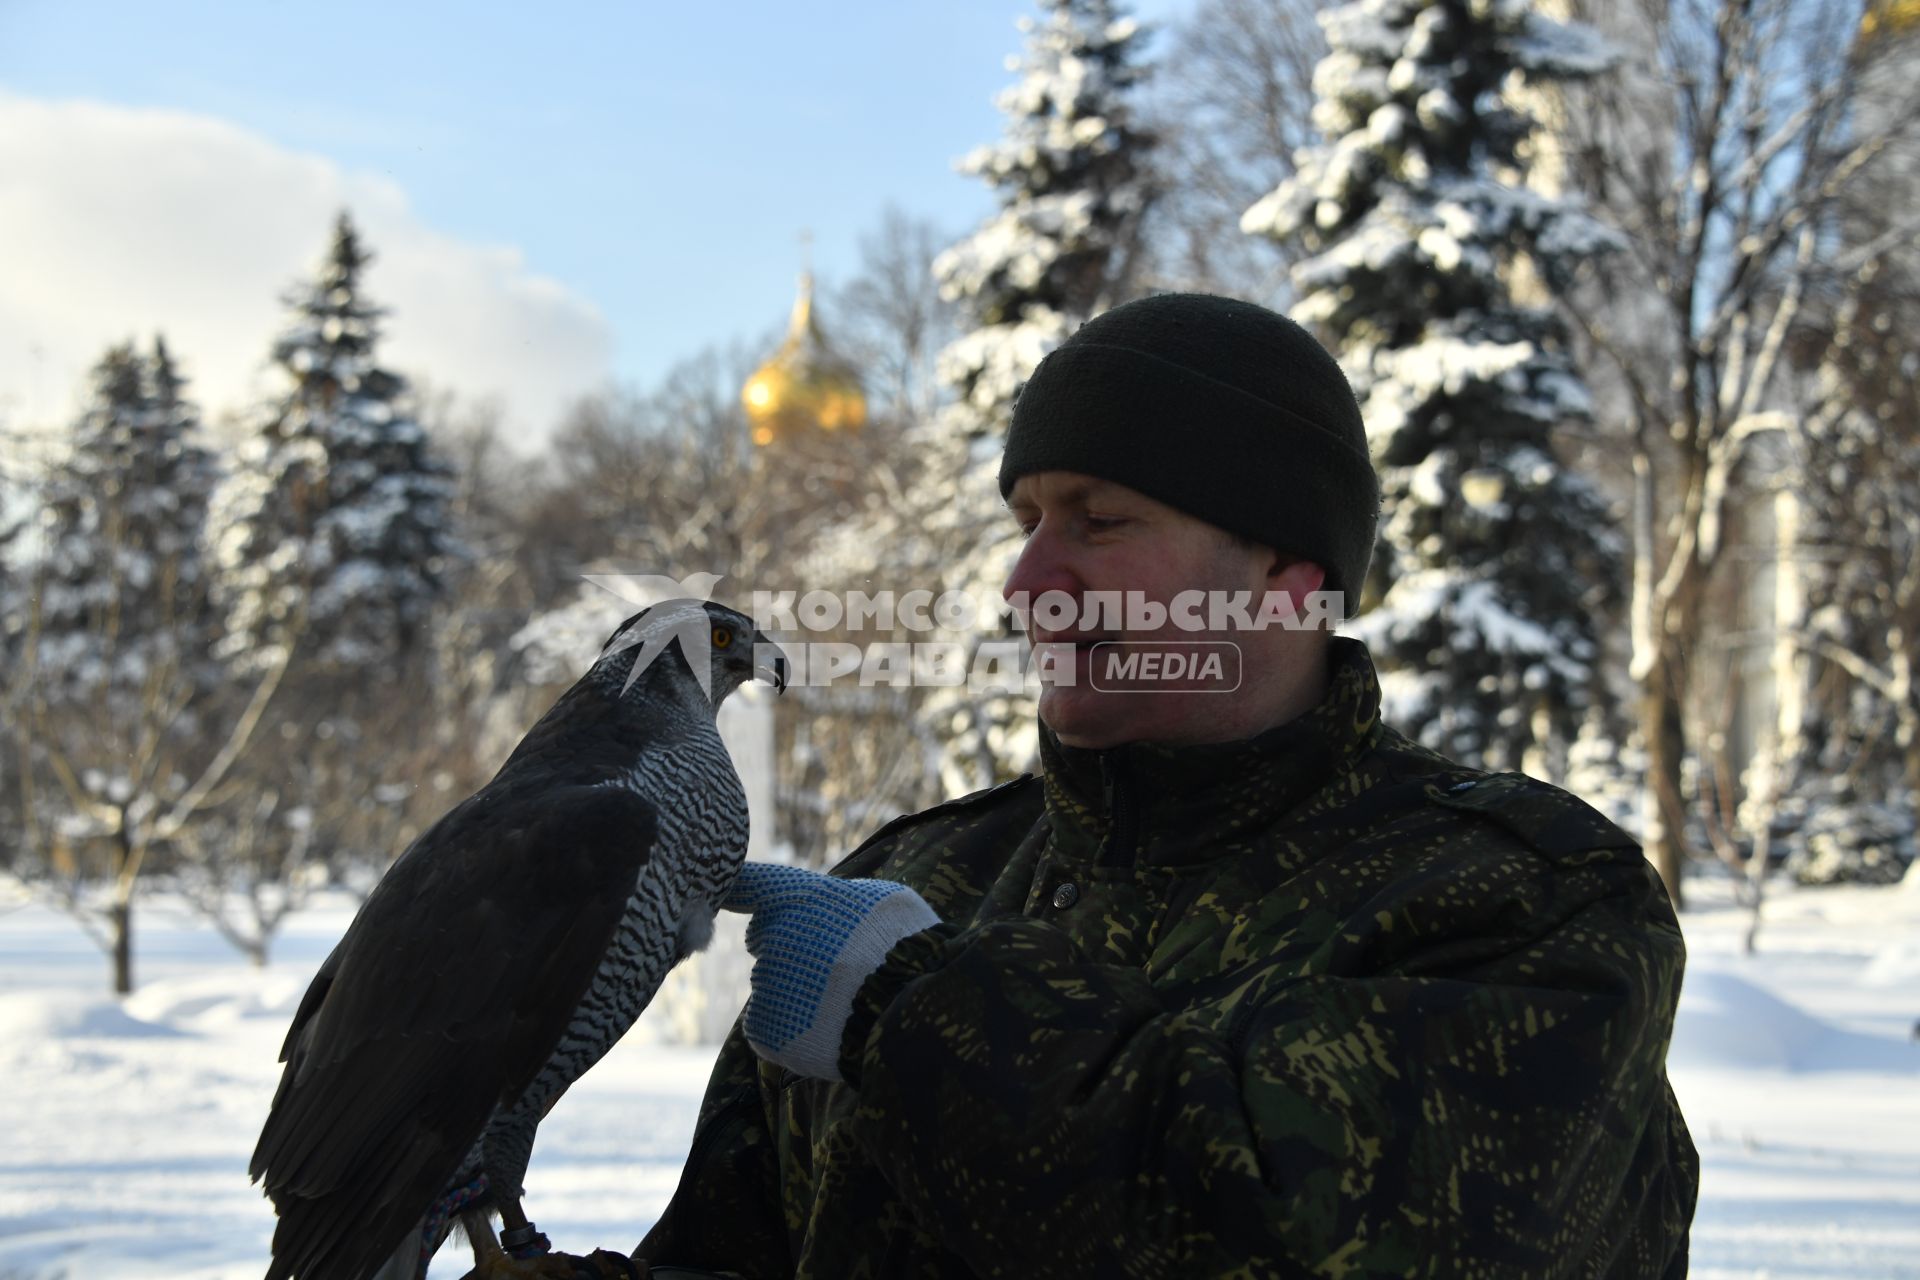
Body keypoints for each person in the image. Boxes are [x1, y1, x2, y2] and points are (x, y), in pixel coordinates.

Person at [570, 293, 1698, 1278]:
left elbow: (1307, 1232)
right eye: (1025, 524)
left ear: (1287, 574)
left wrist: (911, 1015)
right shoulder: (916, 880)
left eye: (1100, 522)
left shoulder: (1524, 900)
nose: (1027, 584)